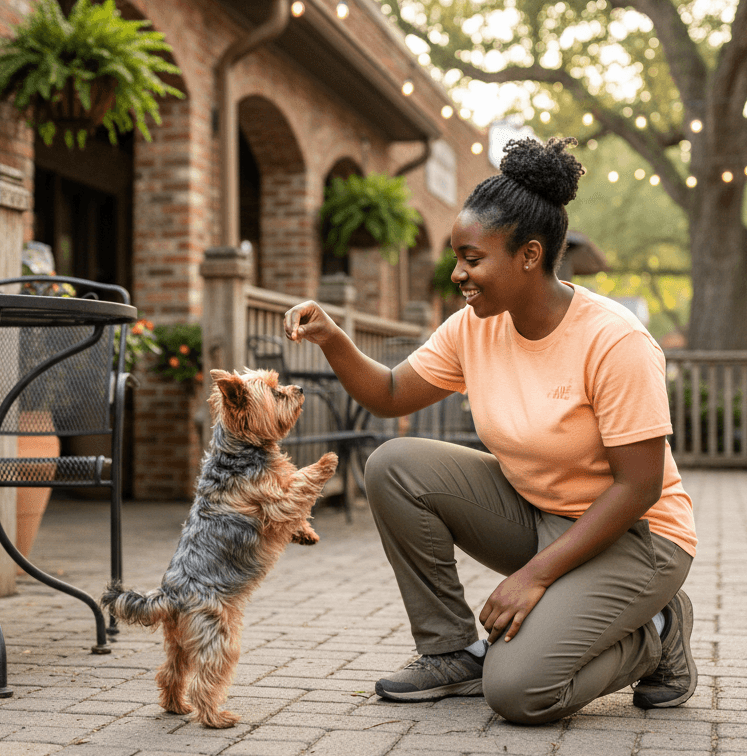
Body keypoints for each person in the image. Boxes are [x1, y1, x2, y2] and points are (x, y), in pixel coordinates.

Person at [282, 137, 697, 724]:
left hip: (637, 537)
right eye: (457, 257)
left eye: (472, 259)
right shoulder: (473, 328)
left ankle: (658, 630)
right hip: (539, 515)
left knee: (520, 692)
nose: (457, 273)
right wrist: (332, 337)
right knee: (394, 466)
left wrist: (532, 578)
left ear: (529, 255)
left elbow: (639, 487)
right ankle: (451, 652)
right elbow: (391, 394)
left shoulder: (614, 340)